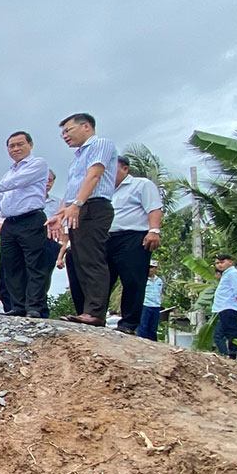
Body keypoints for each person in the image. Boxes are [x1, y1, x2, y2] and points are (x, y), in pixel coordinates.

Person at [0, 131, 51, 318]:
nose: (15, 149)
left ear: (30, 145)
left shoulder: (37, 164)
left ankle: (35, 307)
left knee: (34, 265)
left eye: (19, 144)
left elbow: (15, 183)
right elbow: (4, 199)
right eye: (11, 146)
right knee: (11, 267)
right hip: (10, 222)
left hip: (31, 219)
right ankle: (18, 305)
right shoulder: (9, 171)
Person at [48, 113, 118, 326]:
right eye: (62, 134)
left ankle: (96, 312)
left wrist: (77, 205)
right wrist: (60, 214)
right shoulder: (78, 156)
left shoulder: (101, 144)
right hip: (76, 208)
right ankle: (86, 311)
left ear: (86, 126)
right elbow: (72, 188)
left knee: (92, 258)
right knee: (79, 259)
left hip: (94, 206)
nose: (65, 136)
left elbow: (94, 176)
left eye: (68, 130)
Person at [105, 154, 163, 335]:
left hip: (134, 236)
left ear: (125, 169)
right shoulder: (102, 190)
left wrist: (154, 230)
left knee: (133, 280)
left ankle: (128, 323)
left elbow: (154, 208)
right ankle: (95, 316)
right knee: (101, 279)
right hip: (106, 238)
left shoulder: (141, 184)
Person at [212, 254, 237, 358]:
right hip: (224, 307)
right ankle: (227, 356)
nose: (219, 265)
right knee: (218, 335)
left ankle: (235, 355)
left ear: (230, 262)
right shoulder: (226, 274)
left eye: (222, 262)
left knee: (231, 333)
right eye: (217, 263)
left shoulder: (233, 273)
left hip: (229, 307)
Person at [139, 261, 164, 341]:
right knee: (143, 326)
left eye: (151, 267)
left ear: (155, 269)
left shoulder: (159, 280)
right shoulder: (142, 279)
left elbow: (160, 292)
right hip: (145, 305)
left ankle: (153, 344)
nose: (149, 269)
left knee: (153, 328)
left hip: (156, 306)